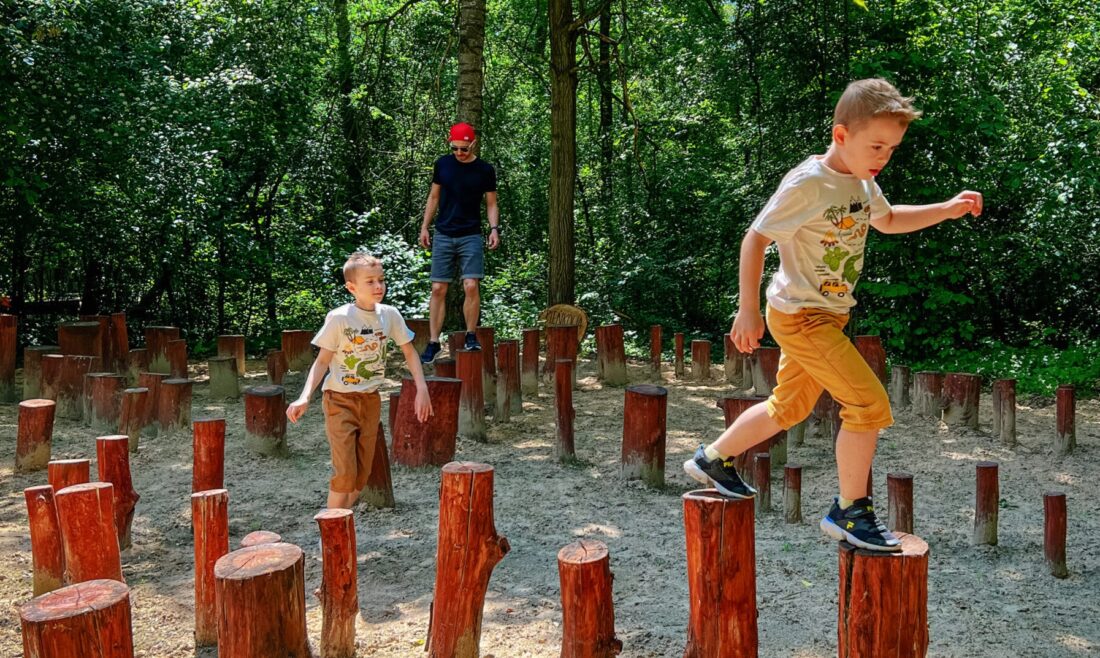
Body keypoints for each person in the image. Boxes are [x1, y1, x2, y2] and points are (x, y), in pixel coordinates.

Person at [684, 78, 983, 551]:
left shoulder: (862, 180)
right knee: (868, 405)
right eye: (876, 145)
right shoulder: (809, 182)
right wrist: (745, 309)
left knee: (789, 406)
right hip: (802, 315)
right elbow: (756, 237)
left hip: (828, 315)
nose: (883, 156)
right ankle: (850, 510)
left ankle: (713, 458)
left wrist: (945, 210)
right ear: (841, 135)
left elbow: (886, 220)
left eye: (892, 148)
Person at [287, 252, 432, 510]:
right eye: (370, 282)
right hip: (339, 401)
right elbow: (321, 362)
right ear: (351, 287)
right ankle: (330, 534)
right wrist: (305, 396)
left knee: (360, 478)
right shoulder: (340, 318)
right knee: (344, 474)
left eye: (381, 280)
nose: (378, 286)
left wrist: (422, 388)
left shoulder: (390, 315)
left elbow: (409, 352)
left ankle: (340, 521)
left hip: (370, 401)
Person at [418, 122, 500, 363]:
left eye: (464, 149)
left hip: (471, 234)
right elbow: (433, 196)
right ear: (449, 143)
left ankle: (471, 335)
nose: (459, 153)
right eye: (455, 148)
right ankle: (433, 342)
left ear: (473, 145)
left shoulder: (485, 170)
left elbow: (492, 203)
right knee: (437, 289)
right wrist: (425, 227)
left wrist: (494, 229)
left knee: (471, 285)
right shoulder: (442, 165)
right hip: (444, 233)